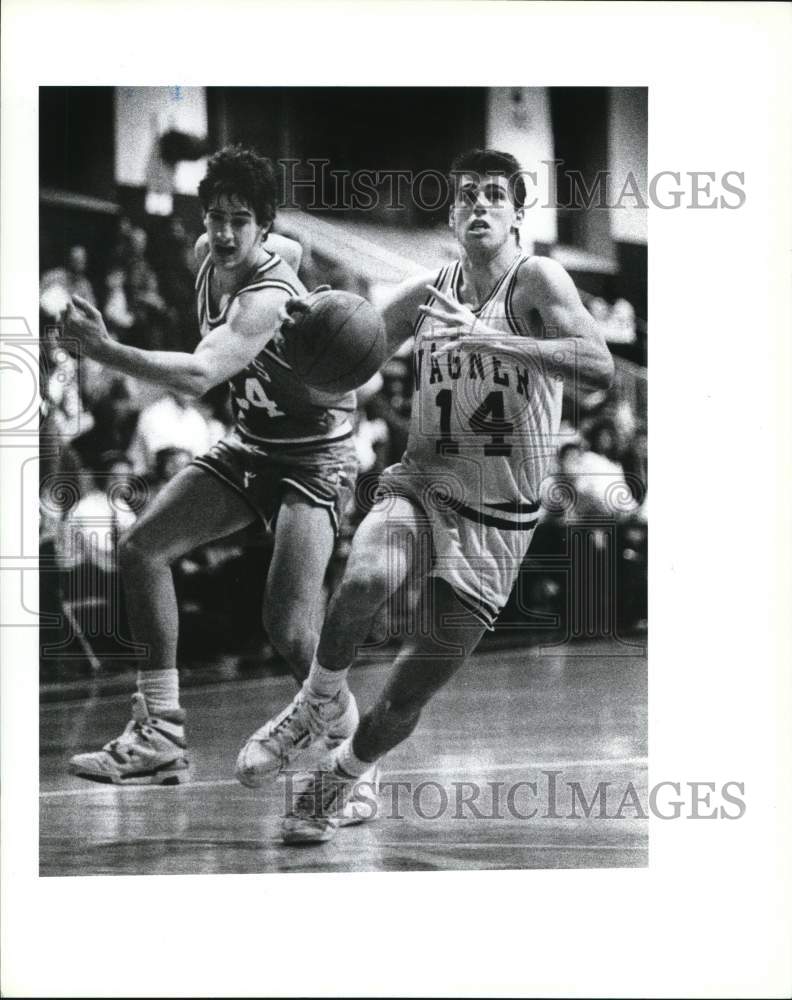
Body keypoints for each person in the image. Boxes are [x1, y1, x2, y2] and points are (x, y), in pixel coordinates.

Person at [236, 148, 615, 843]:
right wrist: (305, 335)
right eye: (466, 193)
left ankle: (346, 774)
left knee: (408, 691)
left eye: (494, 195)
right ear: (450, 212)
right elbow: (351, 348)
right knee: (366, 579)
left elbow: (599, 367)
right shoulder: (427, 290)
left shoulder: (537, 282)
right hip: (422, 482)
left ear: (517, 214)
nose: (478, 204)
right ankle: (312, 706)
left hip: (502, 519)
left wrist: (499, 342)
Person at [63, 146, 360, 786]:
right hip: (254, 443)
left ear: (263, 224)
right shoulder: (209, 258)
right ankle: (159, 733)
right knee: (141, 549)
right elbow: (296, 253)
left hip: (315, 457)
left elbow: (199, 374)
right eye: (216, 217)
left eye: (241, 221)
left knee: (288, 627)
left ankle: (353, 766)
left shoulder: (265, 297)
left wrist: (104, 349)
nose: (225, 233)